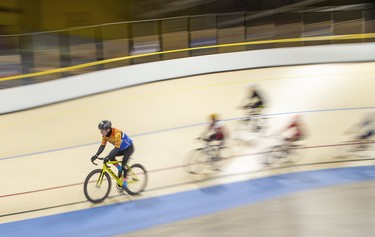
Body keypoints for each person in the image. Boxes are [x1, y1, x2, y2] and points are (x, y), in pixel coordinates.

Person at [91, 120, 134, 189]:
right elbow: (102, 146)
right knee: (111, 157)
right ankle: (119, 169)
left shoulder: (117, 133)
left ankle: (125, 182)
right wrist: (96, 155)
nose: (100, 132)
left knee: (123, 165)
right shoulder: (104, 135)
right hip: (120, 149)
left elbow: (116, 149)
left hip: (128, 149)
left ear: (107, 129)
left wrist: (107, 157)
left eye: (102, 130)